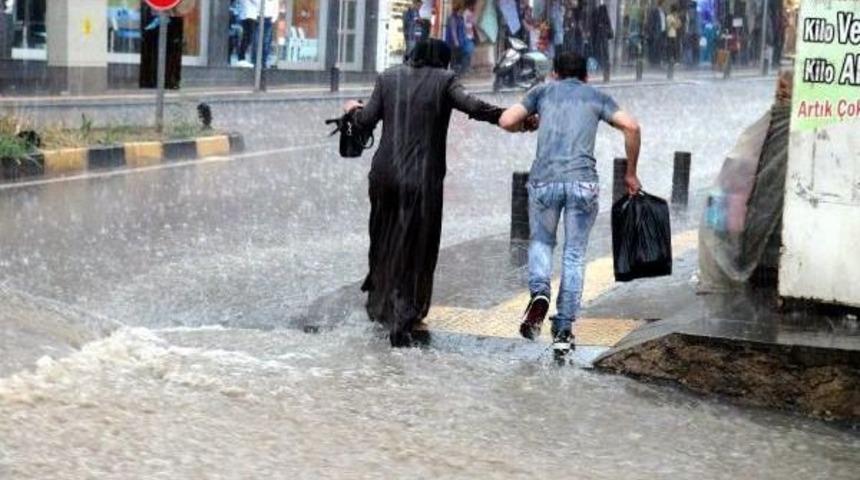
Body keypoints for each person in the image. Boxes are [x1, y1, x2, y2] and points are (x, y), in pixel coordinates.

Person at [342, 40, 515, 347]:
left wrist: (352, 111)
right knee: (417, 245)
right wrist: (503, 116)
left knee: (383, 239)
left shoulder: (388, 77)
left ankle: (379, 306)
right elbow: (472, 106)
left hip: (383, 176)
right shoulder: (444, 80)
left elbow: (366, 120)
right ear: (442, 60)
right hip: (421, 180)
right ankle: (406, 313)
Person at [498, 52, 642, 357]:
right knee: (574, 255)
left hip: (545, 181)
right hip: (583, 183)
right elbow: (632, 127)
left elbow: (506, 120)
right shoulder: (596, 96)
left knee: (541, 241)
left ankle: (539, 293)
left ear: (554, 73)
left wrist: (527, 125)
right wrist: (630, 172)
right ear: (586, 76)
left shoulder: (542, 92)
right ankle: (563, 330)